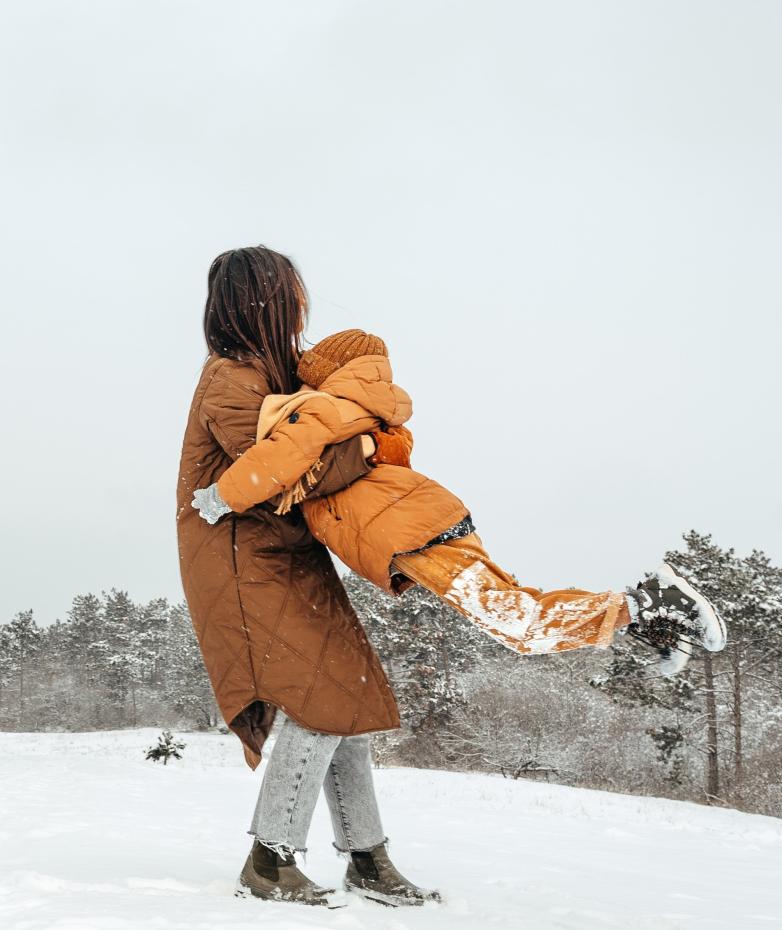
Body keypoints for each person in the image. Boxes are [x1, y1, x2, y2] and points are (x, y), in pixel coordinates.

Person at [189, 328, 727, 675]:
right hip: (422, 522)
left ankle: (650, 603)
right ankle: (651, 623)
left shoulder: (327, 409)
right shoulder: (362, 412)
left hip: (411, 532)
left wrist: (220, 496)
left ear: (329, 373)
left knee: (516, 622)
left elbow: (281, 459)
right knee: (516, 612)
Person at [175, 245, 429, 907]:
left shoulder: (276, 374)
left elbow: (316, 442)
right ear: (262, 300)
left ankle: (368, 859)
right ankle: (269, 858)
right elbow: (287, 471)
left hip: (286, 559)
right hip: (243, 565)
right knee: (321, 703)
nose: (300, 303)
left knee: (343, 697)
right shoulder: (232, 379)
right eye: (290, 291)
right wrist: (372, 442)